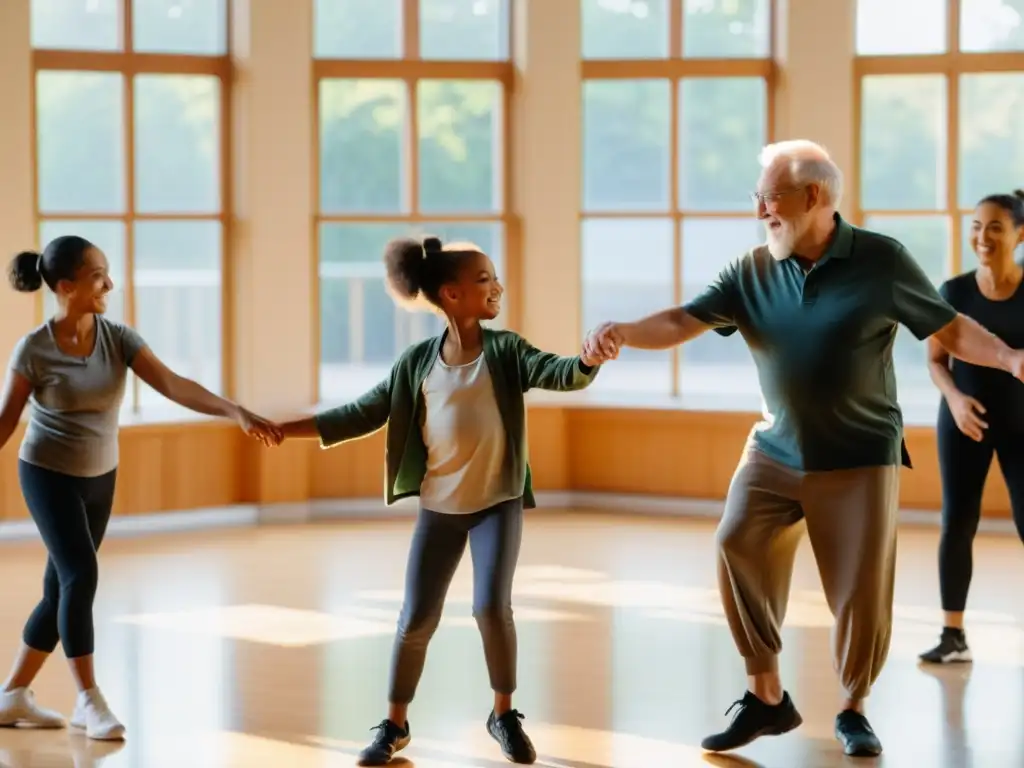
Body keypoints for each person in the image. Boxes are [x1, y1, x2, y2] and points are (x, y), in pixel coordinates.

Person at [584, 140, 1024, 759]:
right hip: (774, 448)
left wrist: (1007, 357)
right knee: (736, 540)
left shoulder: (881, 261)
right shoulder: (753, 269)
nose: (760, 208)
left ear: (813, 196)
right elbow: (685, 320)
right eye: (756, 197)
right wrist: (624, 332)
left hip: (860, 453)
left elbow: (947, 326)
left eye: (769, 197)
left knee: (859, 590)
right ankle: (766, 697)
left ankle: (853, 708)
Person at [271, 235, 602, 766]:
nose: (497, 287)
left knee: (491, 607)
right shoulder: (417, 363)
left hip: (499, 500)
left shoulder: (508, 350)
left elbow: (558, 372)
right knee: (416, 617)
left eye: (494, 278)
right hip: (440, 507)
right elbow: (362, 412)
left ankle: (503, 714)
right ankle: (395, 725)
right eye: (484, 280)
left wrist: (586, 360)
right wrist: (287, 430)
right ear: (451, 295)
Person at [0, 235, 279, 740]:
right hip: (46, 473)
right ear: (66, 287)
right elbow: (3, 423)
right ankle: (89, 699)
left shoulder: (119, 338)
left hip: (99, 476)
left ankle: (12, 694)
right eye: (97, 276)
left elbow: (174, 385)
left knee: (58, 587)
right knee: (80, 575)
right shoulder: (34, 349)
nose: (110, 283)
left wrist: (234, 410)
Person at [919, 191, 1024, 665]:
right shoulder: (954, 292)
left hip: (1022, 425)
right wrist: (956, 400)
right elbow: (937, 362)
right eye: (977, 226)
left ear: (1020, 234)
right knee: (957, 523)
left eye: (995, 227)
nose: (982, 237)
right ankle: (952, 635)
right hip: (965, 422)